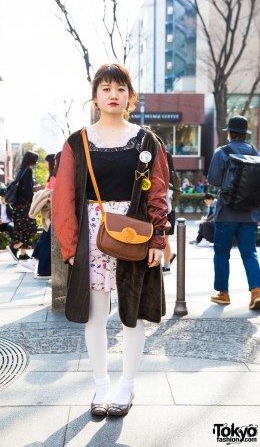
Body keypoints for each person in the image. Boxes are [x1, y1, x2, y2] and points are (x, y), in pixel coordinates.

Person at [53, 63, 170, 418]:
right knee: (95, 316)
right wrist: (70, 248)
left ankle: (126, 386)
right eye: (106, 89)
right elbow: (63, 199)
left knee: (132, 315)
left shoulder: (147, 141)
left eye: (120, 89)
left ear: (130, 97)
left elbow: (159, 192)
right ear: (95, 97)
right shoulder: (78, 141)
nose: (113, 95)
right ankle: (101, 386)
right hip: (92, 238)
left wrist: (158, 241)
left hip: (136, 235)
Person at [208, 116, 260, 309]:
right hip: (250, 214)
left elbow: (214, 180)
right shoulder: (256, 153)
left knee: (222, 254)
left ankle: (223, 293)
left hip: (226, 213)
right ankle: (256, 292)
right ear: (245, 134)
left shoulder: (222, 152)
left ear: (229, 133)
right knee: (249, 253)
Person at [21, 153, 60, 278]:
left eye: (47, 162)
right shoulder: (52, 177)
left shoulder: (54, 178)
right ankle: (36, 263)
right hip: (50, 214)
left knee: (45, 240)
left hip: (52, 214)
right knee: (44, 239)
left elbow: (53, 195)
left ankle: (38, 265)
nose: (45, 164)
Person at [6, 150, 38, 262]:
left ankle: (23, 254)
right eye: (36, 160)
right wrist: (34, 200)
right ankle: (14, 247)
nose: (37, 162)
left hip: (17, 205)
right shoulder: (28, 171)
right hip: (24, 205)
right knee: (31, 228)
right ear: (32, 160)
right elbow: (28, 190)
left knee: (21, 228)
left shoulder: (21, 171)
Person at [162, 151, 182, 274]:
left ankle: (167, 265)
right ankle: (168, 259)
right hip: (168, 211)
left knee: (164, 240)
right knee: (163, 239)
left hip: (166, 211)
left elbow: (176, 194)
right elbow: (178, 195)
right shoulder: (174, 176)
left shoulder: (170, 176)